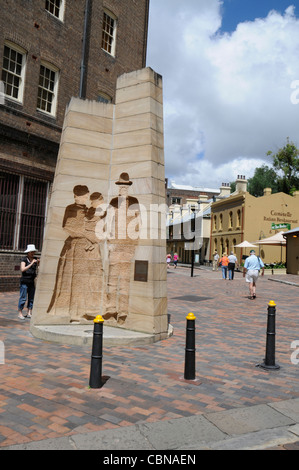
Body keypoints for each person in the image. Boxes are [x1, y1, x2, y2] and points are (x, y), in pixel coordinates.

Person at [18, 244, 39, 320]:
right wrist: (31, 263)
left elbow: (38, 269)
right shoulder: (24, 259)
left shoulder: (35, 259)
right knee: (23, 298)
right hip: (24, 281)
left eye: (33, 252)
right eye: (31, 252)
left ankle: (29, 312)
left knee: (31, 298)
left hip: (31, 281)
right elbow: (22, 269)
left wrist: (38, 263)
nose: (33, 253)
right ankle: (20, 313)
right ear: (28, 252)